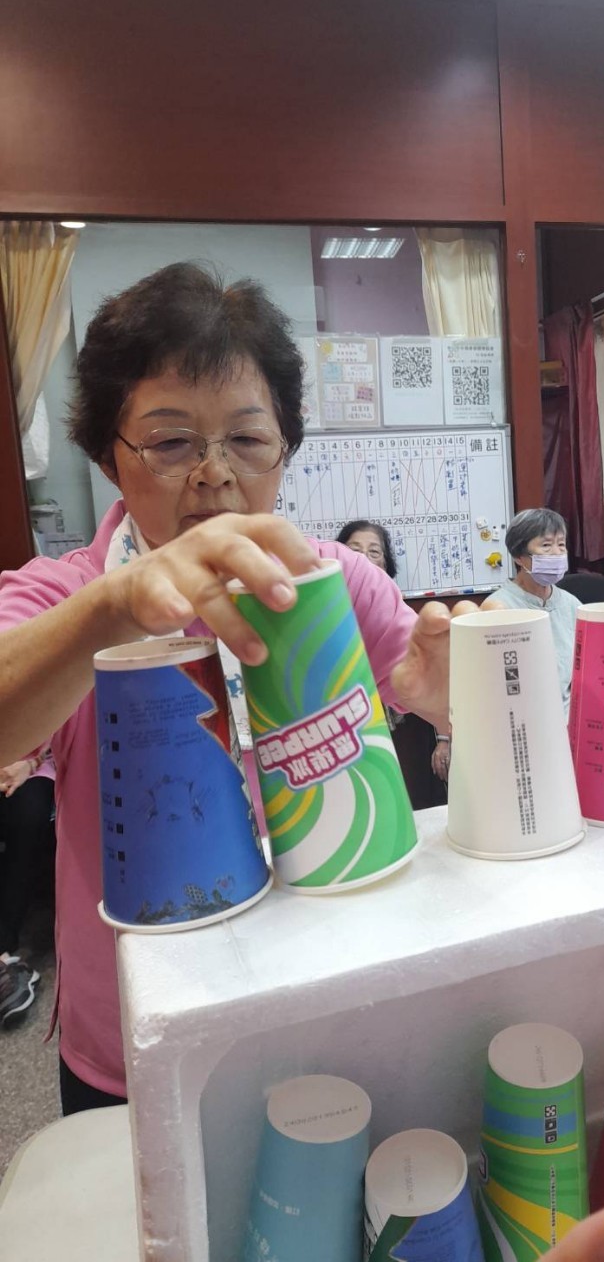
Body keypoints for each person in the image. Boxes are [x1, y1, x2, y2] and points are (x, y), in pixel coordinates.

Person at [0, 263, 484, 1113]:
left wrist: (452, 700)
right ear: (110, 456)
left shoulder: (334, 585)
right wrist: (115, 609)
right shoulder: (68, 597)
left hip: (332, 999)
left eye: (248, 441)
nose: (214, 473)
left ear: (284, 448)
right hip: (141, 1043)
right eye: (171, 442)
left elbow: (445, 696)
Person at [335, 519, 447, 805]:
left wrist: (445, 738)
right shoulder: (323, 610)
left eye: (374, 552)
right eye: (353, 550)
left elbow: (430, 681)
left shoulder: (397, 612)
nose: (362, 559)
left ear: (386, 564)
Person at [488, 508, 579, 715]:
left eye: (561, 544)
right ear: (519, 556)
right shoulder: (497, 607)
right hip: (521, 717)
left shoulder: (572, 604)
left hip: (570, 717)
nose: (557, 553)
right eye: (546, 545)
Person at [0, 750, 54, 1025]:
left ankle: (3, 952)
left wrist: (30, 764)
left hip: (37, 764)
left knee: (29, 815)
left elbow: (62, 735)